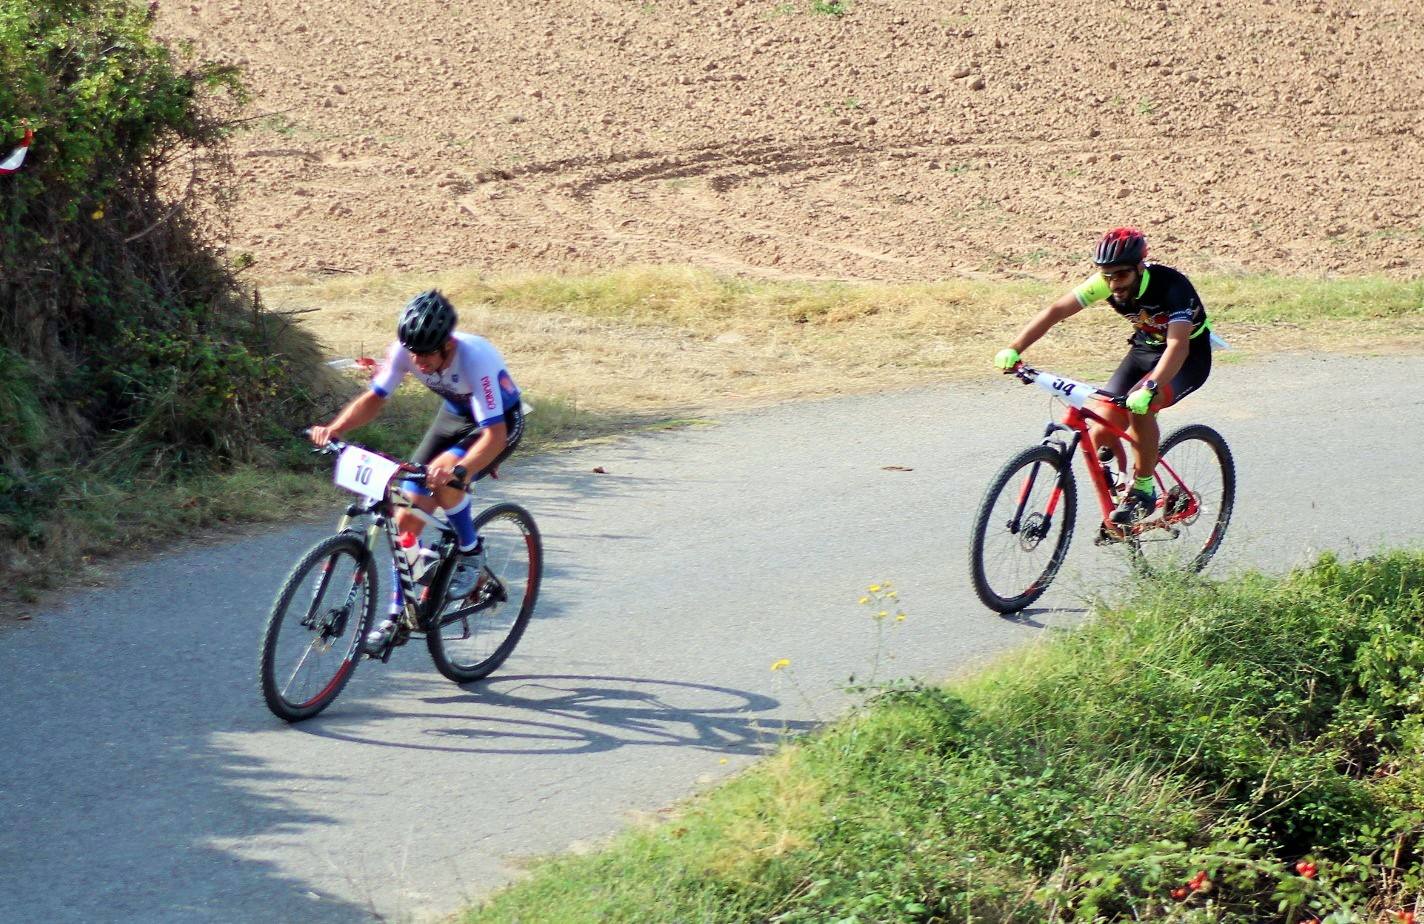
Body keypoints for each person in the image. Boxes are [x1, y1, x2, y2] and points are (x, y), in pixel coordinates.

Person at [308, 289, 524, 650]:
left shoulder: (475, 358)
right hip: (455, 415)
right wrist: (335, 429)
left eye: (428, 355)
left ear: (448, 344)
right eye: (415, 354)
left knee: (442, 476)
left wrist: (462, 469)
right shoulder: (405, 350)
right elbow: (375, 397)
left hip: (498, 424)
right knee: (405, 515)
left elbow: (495, 434)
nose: (420, 363)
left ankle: (471, 552)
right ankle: (399, 617)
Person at [993, 228, 1213, 525]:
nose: (1113, 284)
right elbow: (1056, 311)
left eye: (1120, 276)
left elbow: (1178, 345)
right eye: (1106, 276)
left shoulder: (1172, 287)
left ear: (1139, 267)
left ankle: (1144, 489)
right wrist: (1015, 348)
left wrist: (1150, 386)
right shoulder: (1106, 283)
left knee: (1143, 405)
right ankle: (1122, 493)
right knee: (1102, 428)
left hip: (1187, 357)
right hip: (1144, 351)